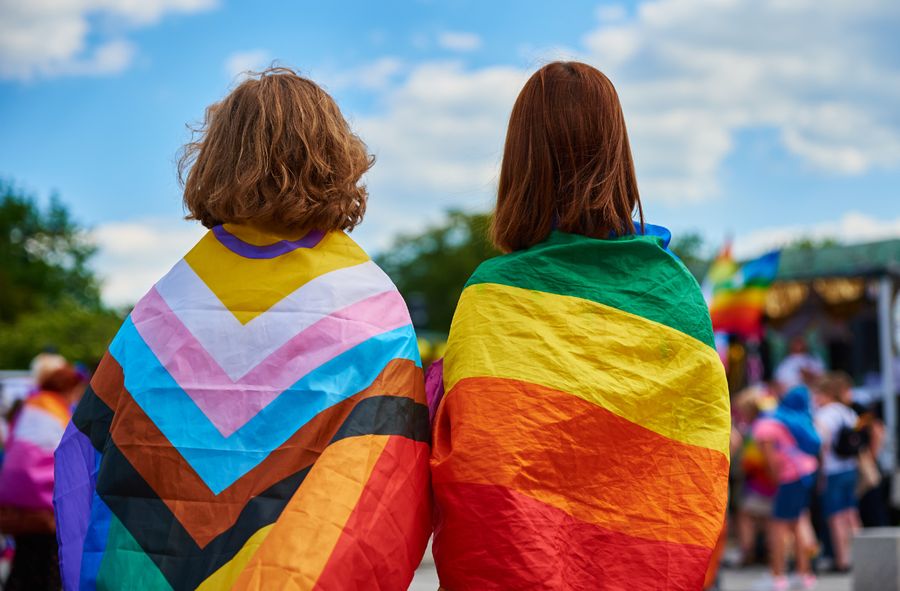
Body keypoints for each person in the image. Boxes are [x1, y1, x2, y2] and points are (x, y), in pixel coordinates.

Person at [54, 67, 431, 590]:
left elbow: (89, 452)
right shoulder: (368, 304)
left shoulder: (163, 307)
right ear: (336, 159)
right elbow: (388, 472)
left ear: (219, 159)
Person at [429, 62, 731, 589]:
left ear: (520, 164)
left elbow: (481, 455)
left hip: (520, 569)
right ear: (619, 154)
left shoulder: (495, 293)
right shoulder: (674, 293)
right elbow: (695, 461)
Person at [0, 364, 86, 591]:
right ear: (69, 388)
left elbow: (10, 444)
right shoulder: (57, 409)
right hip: (46, 503)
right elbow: (69, 453)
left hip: (15, 502)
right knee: (51, 564)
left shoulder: (31, 405)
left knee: (23, 561)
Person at [754, 386, 821, 591]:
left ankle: (778, 577)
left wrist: (776, 480)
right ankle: (805, 574)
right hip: (807, 474)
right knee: (799, 522)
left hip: (789, 478)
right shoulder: (803, 418)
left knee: (778, 528)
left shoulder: (768, 423)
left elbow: (770, 459)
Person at [813, 373, 862, 571]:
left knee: (835, 516)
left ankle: (842, 560)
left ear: (827, 394)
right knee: (851, 513)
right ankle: (862, 557)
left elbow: (820, 442)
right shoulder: (848, 412)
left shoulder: (825, 414)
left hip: (832, 470)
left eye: (818, 394)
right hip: (850, 467)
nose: (815, 399)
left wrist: (820, 469)